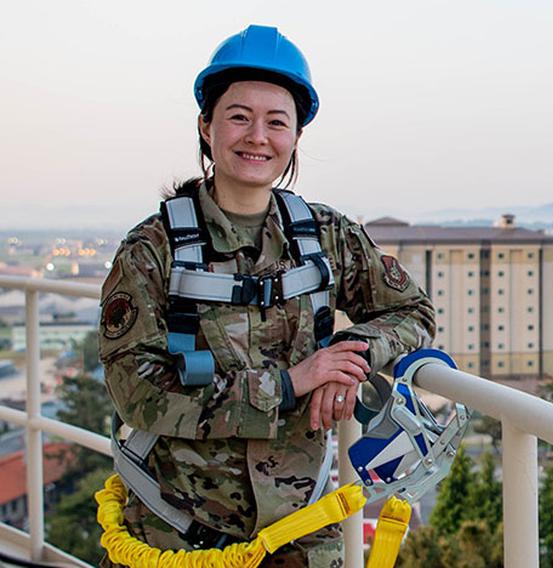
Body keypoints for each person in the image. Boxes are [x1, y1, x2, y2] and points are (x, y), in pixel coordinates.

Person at [98, 25, 435, 567]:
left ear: (296, 137)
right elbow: (133, 392)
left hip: (298, 536)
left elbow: (412, 312)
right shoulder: (152, 249)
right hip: (174, 532)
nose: (258, 136)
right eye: (238, 116)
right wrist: (288, 384)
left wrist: (350, 360)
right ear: (206, 127)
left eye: (277, 121)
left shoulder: (326, 235)